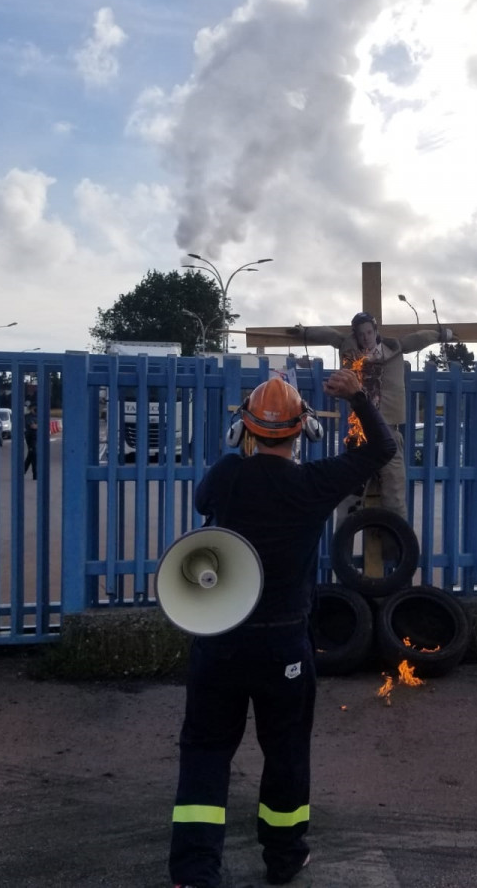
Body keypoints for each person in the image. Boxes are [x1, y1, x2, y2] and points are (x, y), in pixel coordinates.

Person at [168, 370, 396, 888]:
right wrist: (358, 397)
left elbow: (205, 503)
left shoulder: (227, 474)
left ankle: (194, 871)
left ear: (242, 431)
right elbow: (382, 447)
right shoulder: (316, 484)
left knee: (205, 752)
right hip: (285, 644)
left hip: (220, 637)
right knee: (287, 751)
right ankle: (285, 858)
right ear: (304, 432)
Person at [289, 312, 450, 519]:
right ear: (355, 335)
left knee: (395, 499)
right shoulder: (349, 349)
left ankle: (398, 547)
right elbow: (329, 335)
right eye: (361, 334)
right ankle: (342, 546)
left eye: (369, 332)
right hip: (359, 434)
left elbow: (418, 339)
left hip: (388, 431)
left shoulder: (394, 348)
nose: (366, 337)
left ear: (375, 331)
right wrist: (304, 332)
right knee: (348, 499)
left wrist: (441, 334)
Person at [23, 408, 38, 479]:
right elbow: (33, 426)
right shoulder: (28, 417)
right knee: (33, 455)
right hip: (31, 438)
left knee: (31, 456)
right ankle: (35, 475)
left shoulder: (38, 416)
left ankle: (22, 471)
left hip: (37, 437)